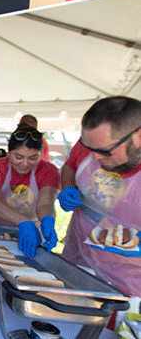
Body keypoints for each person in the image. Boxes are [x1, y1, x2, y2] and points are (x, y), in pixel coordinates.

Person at [58, 96, 141, 297]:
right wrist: (68, 187)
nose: (94, 157)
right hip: (77, 261)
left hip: (127, 285)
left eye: (105, 151)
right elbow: (71, 166)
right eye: (89, 148)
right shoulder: (92, 142)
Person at [0, 125, 60, 258]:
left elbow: (45, 204)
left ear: (40, 154)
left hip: (32, 233)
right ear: (8, 153)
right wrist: (23, 222)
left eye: (33, 158)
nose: (25, 163)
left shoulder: (49, 170)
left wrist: (47, 220)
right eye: (19, 157)